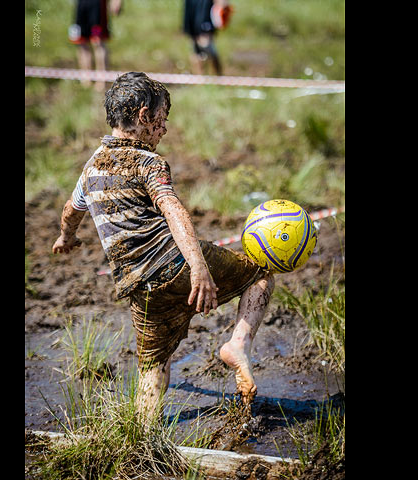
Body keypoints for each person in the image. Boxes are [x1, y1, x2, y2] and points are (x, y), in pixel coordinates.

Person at [52, 72, 274, 421]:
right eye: (162, 119)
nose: (165, 129)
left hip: (141, 287)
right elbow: (172, 208)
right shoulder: (149, 162)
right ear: (144, 117)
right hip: (177, 264)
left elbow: (70, 211)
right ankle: (237, 346)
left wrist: (66, 237)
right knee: (259, 275)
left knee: (153, 366)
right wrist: (199, 267)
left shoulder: (90, 169)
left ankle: (142, 435)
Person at [69, 0, 122, 90]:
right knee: (81, 41)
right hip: (81, 5)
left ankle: (102, 80)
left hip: (97, 5)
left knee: (98, 42)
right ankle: (86, 80)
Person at [183, 0, 233, 75]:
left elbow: (223, 3)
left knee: (206, 45)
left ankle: (219, 77)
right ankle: (201, 80)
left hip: (204, 15)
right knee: (196, 49)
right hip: (193, 11)